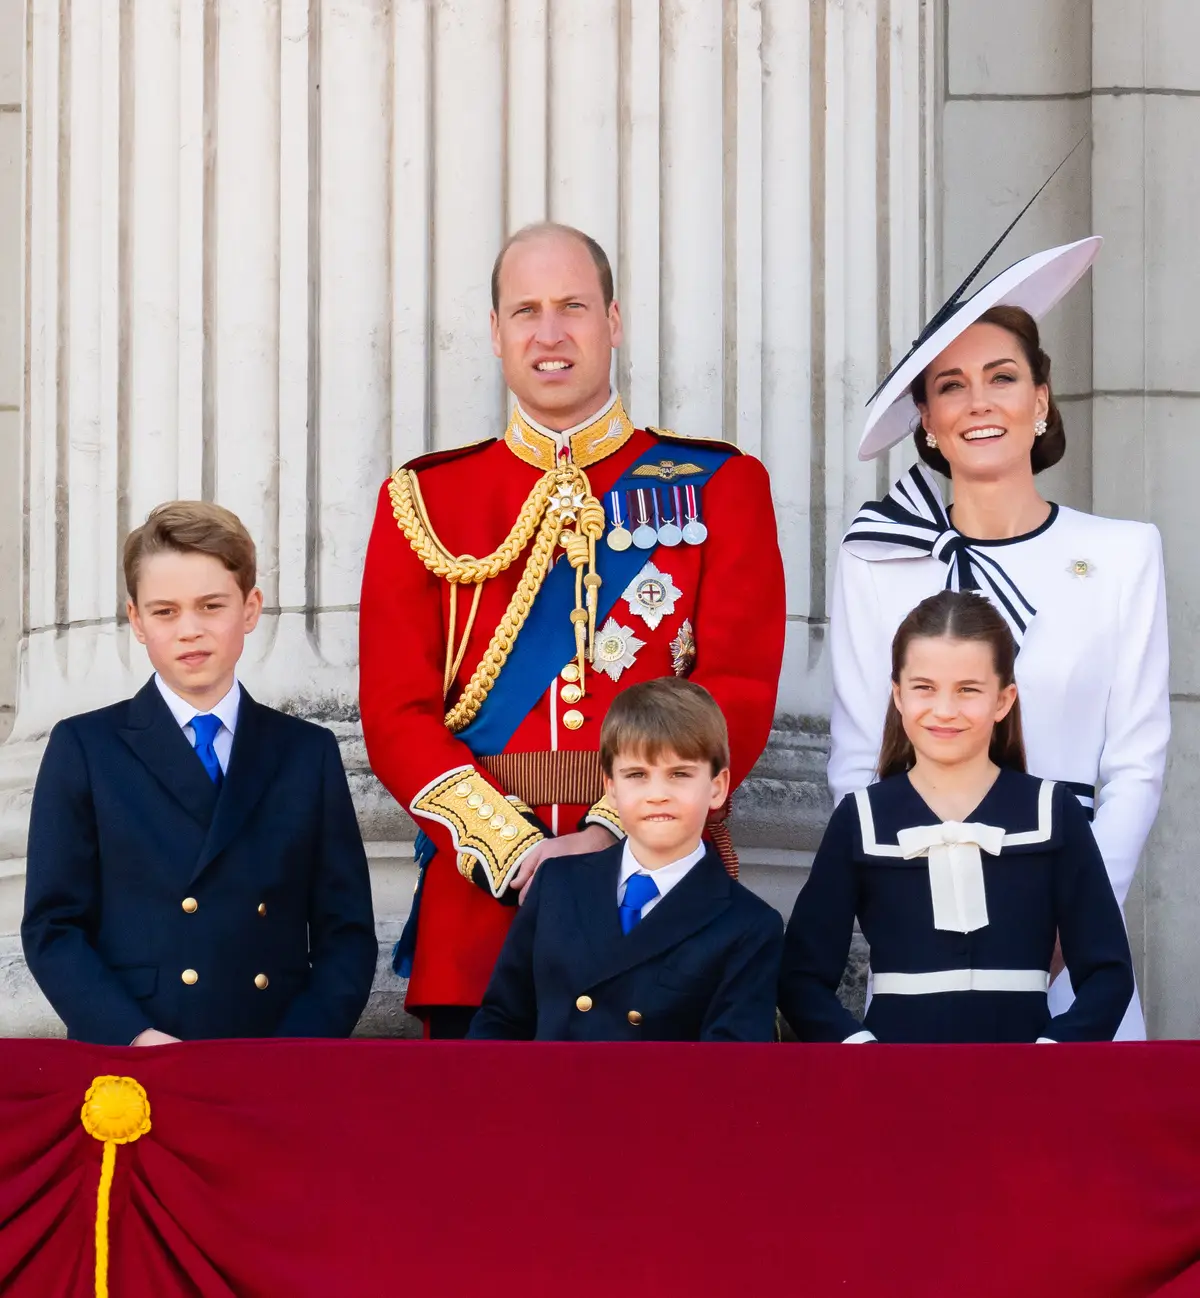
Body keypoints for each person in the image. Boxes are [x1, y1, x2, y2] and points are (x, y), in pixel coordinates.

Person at [359, 222, 785, 1038]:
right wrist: (517, 857)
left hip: (655, 911)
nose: (549, 334)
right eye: (525, 311)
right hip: (481, 922)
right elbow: (394, 713)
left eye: (573, 307)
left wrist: (607, 833)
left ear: (613, 323)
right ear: (494, 333)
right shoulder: (423, 500)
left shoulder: (719, 486)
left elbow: (736, 687)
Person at [829, 237, 1168, 1040]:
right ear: (928, 422)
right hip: (920, 922)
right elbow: (853, 762)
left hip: (1071, 932)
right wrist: (901, 908)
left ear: (1042, 399)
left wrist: (1070, 917)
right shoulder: (878, 559)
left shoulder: (1125, 553)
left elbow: (1136, 765)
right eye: (952, 386)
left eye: (1003, 377)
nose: (979, 402)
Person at [21, 502, 377, 1045]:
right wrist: (134, 1037)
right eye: (164, 611)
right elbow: (53, 927)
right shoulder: (86, 748)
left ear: (250, 608)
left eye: (211, 606)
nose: (190, 630)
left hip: (274, 1056)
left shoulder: (308, 753)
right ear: (136, 620)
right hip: (136, 1058)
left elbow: (345, 933)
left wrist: (298, 1049)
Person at [781, 591, 1133, 1044]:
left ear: (1004, 700)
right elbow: (801, 978)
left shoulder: (1053, 811)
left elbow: (1108, 972)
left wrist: (1053, 1058)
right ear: (898, 695)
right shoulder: (862, 817)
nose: (944, 710)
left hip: (1026, 1088)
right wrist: (860, 1052)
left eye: (968, 689)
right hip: (894, 1088)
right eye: (924, 687)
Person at [468, 678, 783, 1041]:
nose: (657, 795)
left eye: (679, 774)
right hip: (544, 1095)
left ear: (717, 787)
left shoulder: (749, 926)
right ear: (611, 789)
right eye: (637, 776)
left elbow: (730, 1073)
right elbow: (500, 1023)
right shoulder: (556, 884)